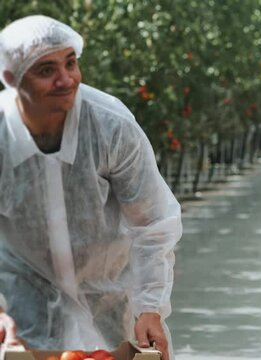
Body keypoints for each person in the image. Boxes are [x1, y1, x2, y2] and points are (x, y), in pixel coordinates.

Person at [0, 15, 182, 360]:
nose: (66, 80)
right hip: (24, 313)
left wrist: (150, 307)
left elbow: (153, 224)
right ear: (12, 78)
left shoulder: (109, 126)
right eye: (46, 70)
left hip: (114, 306)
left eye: (71, 63)